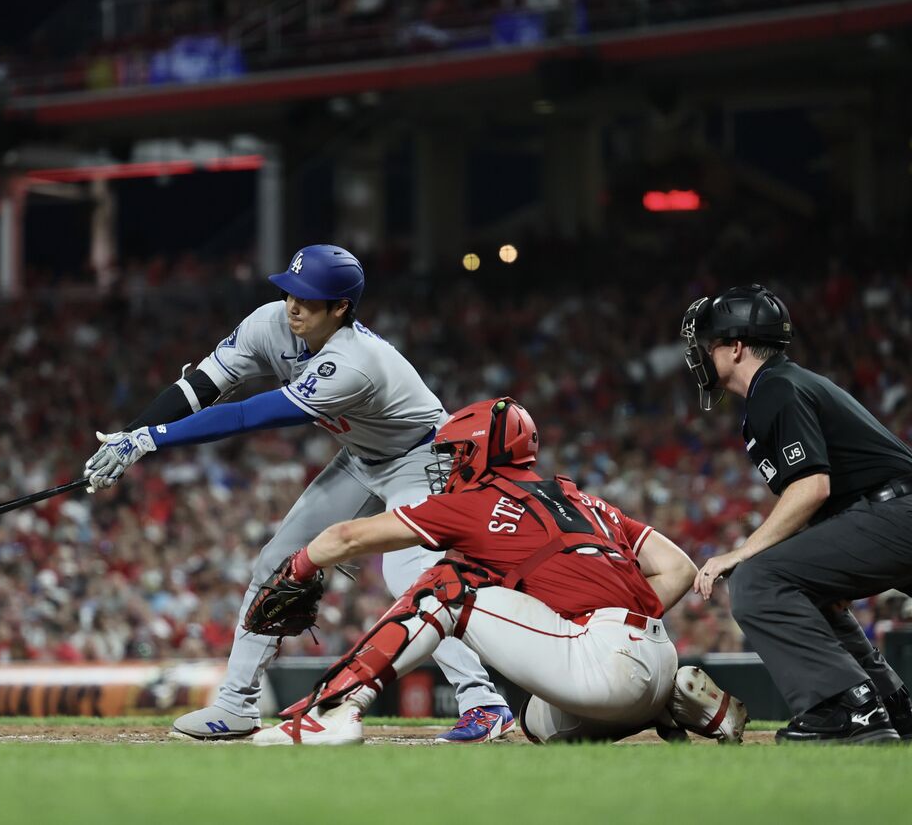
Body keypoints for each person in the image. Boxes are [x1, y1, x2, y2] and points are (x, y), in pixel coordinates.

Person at [83, 244, 511, 741]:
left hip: (424, 460)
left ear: (341, 307)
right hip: (361, 457)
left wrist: (151, 440)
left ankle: (484, 702)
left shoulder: (354, 361)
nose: (292, 305)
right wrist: (128, 438)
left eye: (307, 298)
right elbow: (201, 386)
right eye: (290, 291)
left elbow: (249, 415)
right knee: (278, 561)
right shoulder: (269, 322)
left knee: (409, 576)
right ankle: (237, 705)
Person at [247, 397, 746, 745]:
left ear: (481, 452)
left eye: (456, 453)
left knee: (446, 584)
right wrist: (624, 619)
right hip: (655, 654)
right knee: (539, 724)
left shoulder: (477, 501)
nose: (449, 466)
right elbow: (679, 569)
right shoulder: (583, 500)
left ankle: (332, 711)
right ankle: (672, 702)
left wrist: (298, 566)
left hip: (603, 660)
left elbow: (346, 537)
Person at [682, 284, 912, 744]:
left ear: (736, 347)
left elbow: (812, 487)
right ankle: (889, 706)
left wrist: (740, 553)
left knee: (756, 579)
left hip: (895, 511)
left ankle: (846, 707)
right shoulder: (783, 384)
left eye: (710, 344)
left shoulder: (776, 388)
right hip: (889, 513)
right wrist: (829, 576)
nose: (703, 355)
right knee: (797, 584)